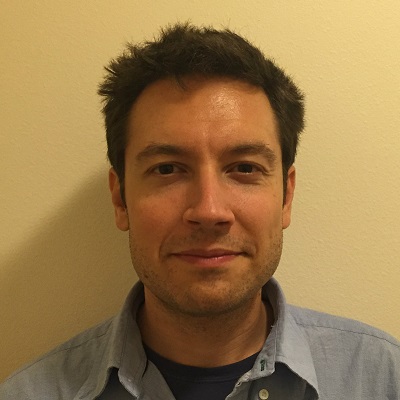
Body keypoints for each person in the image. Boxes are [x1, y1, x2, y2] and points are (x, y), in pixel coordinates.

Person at [1, 22, 399, 400]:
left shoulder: (383, 378)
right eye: (167, 169)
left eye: (245, 168)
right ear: (120, 199)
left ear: (286, 196)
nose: (209, 211)